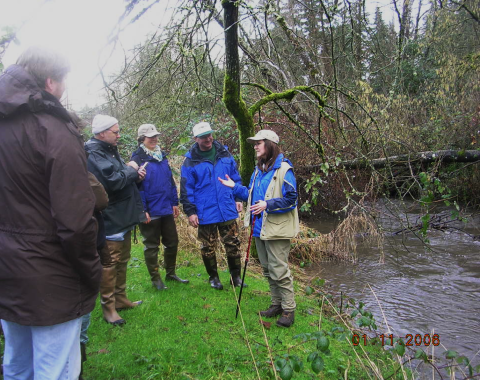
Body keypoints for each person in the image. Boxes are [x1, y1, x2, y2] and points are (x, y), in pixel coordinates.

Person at [0, 46, 102, 378]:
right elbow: (75, 221)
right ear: (50, 82)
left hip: (7, 270)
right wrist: (91, 271)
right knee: (54, 369)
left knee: (17, 364)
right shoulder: (52, 128)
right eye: (65, 81)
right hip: (51, 277)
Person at [218, 130, 299, 327]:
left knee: (279, 270)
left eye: (258, 143)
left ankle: (289, 309)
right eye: (254, 143)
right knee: (267, 269)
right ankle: (276, 304)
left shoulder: (284, 169)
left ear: (270, 144)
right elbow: (251, 196)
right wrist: (233, 187)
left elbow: (292, 199)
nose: (254, 146)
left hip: (277, 230)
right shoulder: (258, 170)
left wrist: (267, 205)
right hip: (259, 228)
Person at [85, 114, 147, 325]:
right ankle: (108, 308)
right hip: (110, 217)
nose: (119, 135)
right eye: (115, 132)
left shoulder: (109, 151)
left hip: (123, 215)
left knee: (122, 259)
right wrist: (131, 169)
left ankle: (120, 299)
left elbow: (122, 179)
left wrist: (135, 177)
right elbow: (111, 183)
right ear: (101, 133)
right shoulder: (94, 154)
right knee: (109, 263)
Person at [180, 122, 245, 290]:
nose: (208, 138)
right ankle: (213, 278)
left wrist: (238, 197)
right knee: (208, 246)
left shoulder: (225, 153)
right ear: (195, 139)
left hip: (226, 208)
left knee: (233, 242)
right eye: (203, 136)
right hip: (205, 211)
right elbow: (186, 189)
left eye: (209, 134)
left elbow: (235, 177)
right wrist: (190, 212)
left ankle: (236, 277)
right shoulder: (190, 161)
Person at [131, 124, 189, 290]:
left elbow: (169, 181)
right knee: (151, 246)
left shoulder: (161, 157)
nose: (155, 139)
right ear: (142, 139)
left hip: (165, 207)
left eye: (156, 136)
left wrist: (174, 202)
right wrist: (142, 210)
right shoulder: (137, 159)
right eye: (151, 137)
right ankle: (156, 279)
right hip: (150, 210)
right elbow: (136, 188)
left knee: (172, 242)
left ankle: (171, 274)